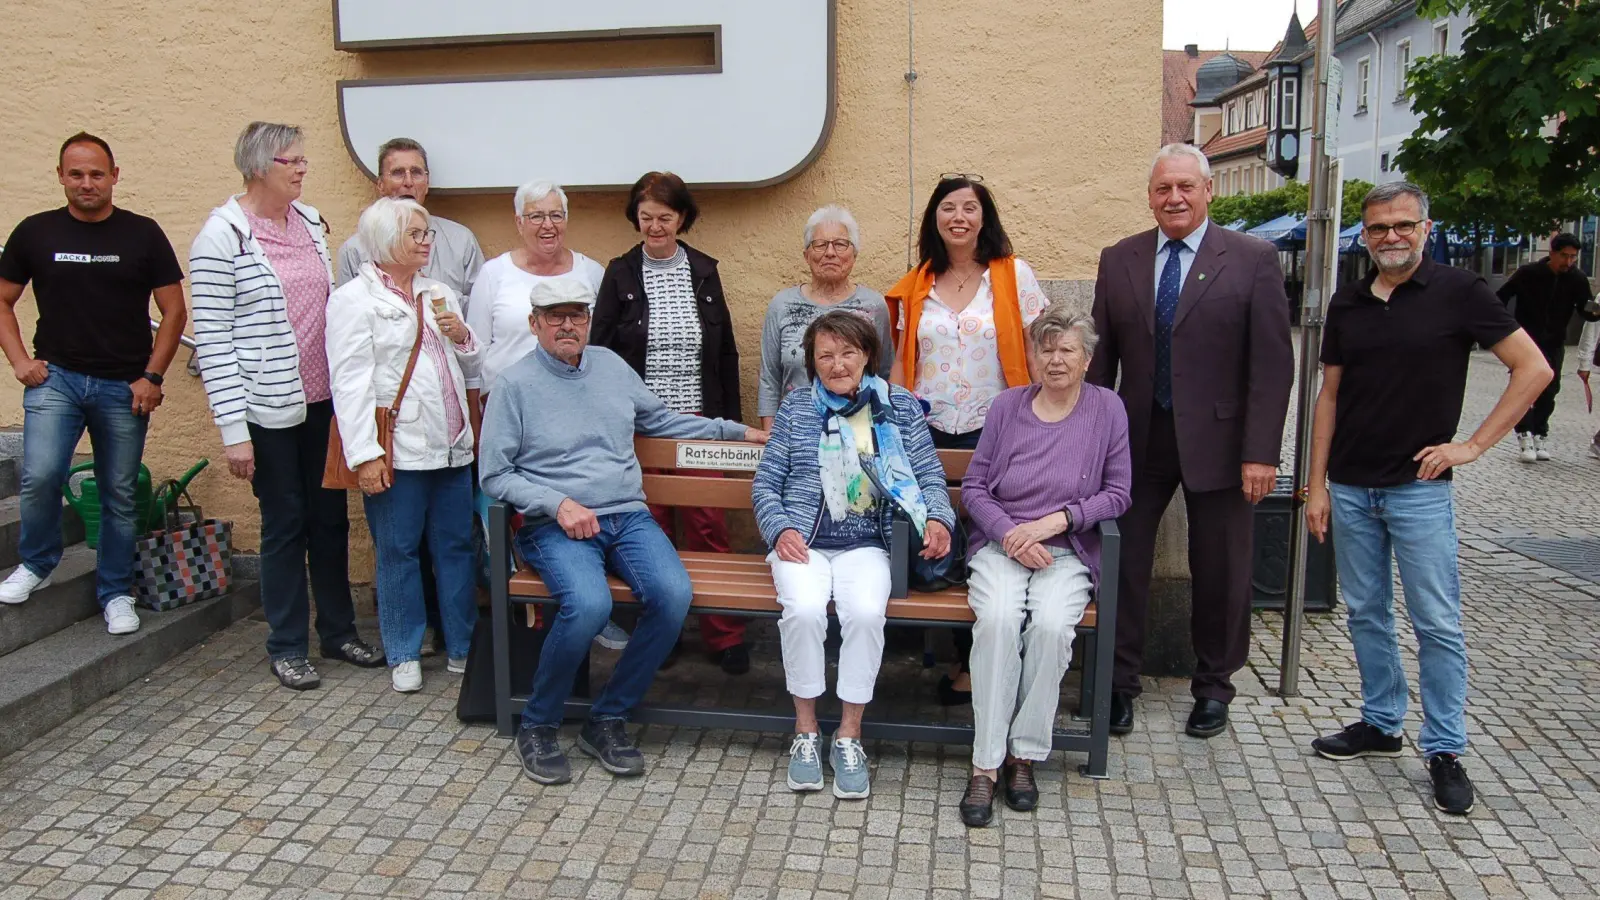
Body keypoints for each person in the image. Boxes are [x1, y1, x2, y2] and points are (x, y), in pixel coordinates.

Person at [1304, 182, 1551, 816]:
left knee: (1436, 622)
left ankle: (1444, 748)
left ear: (1425, 228)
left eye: (1402, 225)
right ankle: (1381, 723)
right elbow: (1327, 398)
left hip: (1419, 490)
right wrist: (1317, 483)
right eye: (1378, 227)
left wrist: (1472, 445)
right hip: (1354, 487)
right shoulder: (1349, 302)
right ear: (1364, 234)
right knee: (1366, 612)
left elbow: (1535, 369)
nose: (1390, 236)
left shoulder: (1459, 292)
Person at [479, 278, 767, 786]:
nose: (567, 325)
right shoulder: (514, 384)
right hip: (557, 525)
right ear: (534, 324)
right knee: (590, 605)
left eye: (576, 315)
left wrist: (735, 432)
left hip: (627, 516)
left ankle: (607, 717)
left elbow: (661, 420)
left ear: (588, 320)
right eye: (554, 316)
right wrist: (558, 502)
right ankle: (539, 723)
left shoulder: (611, 367)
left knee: (673, 596)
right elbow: (494, 474)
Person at [1088, 143, 1293, 740]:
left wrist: (1261, 451)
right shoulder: (1119, 258)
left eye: (1184, 187)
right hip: (1137, 439)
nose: (1173, 198)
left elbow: (1271, 365)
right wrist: (1089, 441)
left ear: (1208, 191)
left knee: (1223, 567)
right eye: (1162, 189)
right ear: (1149, 196)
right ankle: (1117, 684)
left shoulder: (1253, 258)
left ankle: (1213, 687)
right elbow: (1102, 364)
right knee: (1120, 561)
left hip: (1226, 445)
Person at [191, 122, 384, 691]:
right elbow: (215, 339)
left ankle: (338, 631)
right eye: (290, 161)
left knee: (329, 520)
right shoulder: (221, 236)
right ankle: (286, 645)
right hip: (267, 409)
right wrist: (233, 430)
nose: (302, 169)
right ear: (257, 167)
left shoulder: (307, 222)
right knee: (284, 523)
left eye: (303, 160)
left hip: (323, 401)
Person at [752, 310, 954, 800]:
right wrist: (778, 528)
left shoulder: (899, 406)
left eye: (847, 352)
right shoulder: (798, 408)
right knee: (801, 611)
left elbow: (928, 475)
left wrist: (939, 520)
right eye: (826, 355)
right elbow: (765, 484)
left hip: (870, 543)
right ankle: (804, 732)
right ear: (812, 362)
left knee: (865, 613)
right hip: (804, 542)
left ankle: (849, 735)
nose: (837, 364)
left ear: (867, 354)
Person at [0, 132, 187, 636]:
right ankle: (38, 563)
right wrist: (20, 361)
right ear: (61, 176)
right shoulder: (35, 232)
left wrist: (152, 375)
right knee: (40, 476)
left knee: (120, 493)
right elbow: (2, 300)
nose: (87, 183)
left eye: (96, 174)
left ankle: (116, 591)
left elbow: (173, 312)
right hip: (55, 379)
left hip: (123, 386)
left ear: (114, 176)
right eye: (76, 173)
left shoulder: (142, 234)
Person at [956, 305, 1131, 827]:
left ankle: (1024, 755)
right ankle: (985, 764)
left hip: (1067, 548)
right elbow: (974, 488)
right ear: (1032, 357)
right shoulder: (1009, 406)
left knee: (1053, 627)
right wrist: (1011, 534)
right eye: (1046, 349)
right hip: (1002, 545)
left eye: (1067, 350)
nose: (1055, 360)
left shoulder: (1108, 409)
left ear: (1088, 358)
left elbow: (1119, 494)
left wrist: (1056, 522)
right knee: (1000, 622)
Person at [885, 175, 1050, 706]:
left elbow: (1041, 345)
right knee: (940, 541)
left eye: (970, 208)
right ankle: (965, 657)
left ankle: (991, 660)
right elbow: (899, 361)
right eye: (948, 208)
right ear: (934, 218)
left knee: (987, 537)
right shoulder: (916, 283)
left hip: (997, 426)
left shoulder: (1012, 274)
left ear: (985, 217)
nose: (959, 216)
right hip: (927, 429)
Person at [591, 172, 749, 674]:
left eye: (665, 217)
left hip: (698, 422)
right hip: (638, 428)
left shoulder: (704, 270)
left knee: (708, 524)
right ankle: (661, 632)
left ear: (682, 218)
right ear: (635, 219)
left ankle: (724, 635)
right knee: (648, 532)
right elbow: (598, 354)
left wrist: (732, 427)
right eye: (646, 217)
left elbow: (724, 352)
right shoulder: (619, 273)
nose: (655, 226)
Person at [335, 137, 487, 658]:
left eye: (426, 233)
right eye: (416, 234)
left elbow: (471, 365)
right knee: (398, 552)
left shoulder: (435, 291)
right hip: (396, 450)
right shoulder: (353, 300)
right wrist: (365, 455)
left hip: (449, 445)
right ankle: (402, 652)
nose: (427, 241)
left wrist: (464, 337)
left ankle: (463, 648)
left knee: (456, 547)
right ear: (386, 238)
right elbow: (350, 383)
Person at [466, 179, 627, 652]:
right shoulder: (494, 276)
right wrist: (478, 423)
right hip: (507, 411)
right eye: (535, 216)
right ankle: (525, 633)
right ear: (518, 223)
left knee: (570, 515)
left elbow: (600, 349)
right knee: (509, 524)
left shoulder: (591, 273)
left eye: (555, 215)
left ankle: (586, 612)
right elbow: (473, 352)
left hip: (571, 414)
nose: (547, 225)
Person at [757, 205, 894, 430]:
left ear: (854, 254)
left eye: (840, 244)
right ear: (806, 255)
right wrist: (772, 435)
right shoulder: (781, 305)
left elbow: (884, 372)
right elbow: (769, 379)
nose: (830, 252)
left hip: (859, 430)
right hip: (796, 428)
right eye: (820, 245)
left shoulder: (874, 306)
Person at [1496, 232, 1596, 462]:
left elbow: (1585, 310)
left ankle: (1540, 433)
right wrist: (1505, 329)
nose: (1568, 262)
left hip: (1555, 342)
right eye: (1564, 256)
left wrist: (1595, 311)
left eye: (1573, 257)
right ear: (1551, 253)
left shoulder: (1577, 278)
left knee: (1550, 390)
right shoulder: (1528, 273)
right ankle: (1524, 434)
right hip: (1525, 340)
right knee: (1523, 388)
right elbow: (1500, 298)